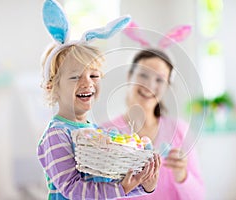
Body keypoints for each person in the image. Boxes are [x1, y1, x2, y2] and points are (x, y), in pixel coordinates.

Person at [37, 43, 161, 199]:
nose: (88, 82)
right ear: (52, 87)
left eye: (94, 76)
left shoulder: (96, 133)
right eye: (75, 77)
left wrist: (144, 185)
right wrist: (122, 188)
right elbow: (72, 188)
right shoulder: (56, 134)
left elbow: (111, 184)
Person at [102, 48, 205, 200]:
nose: (150, 85)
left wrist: (182, 176)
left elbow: (199, 196)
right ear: (130, 76)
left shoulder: (179, 130)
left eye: (159, 80)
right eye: (143, 75)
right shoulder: (105, 133)